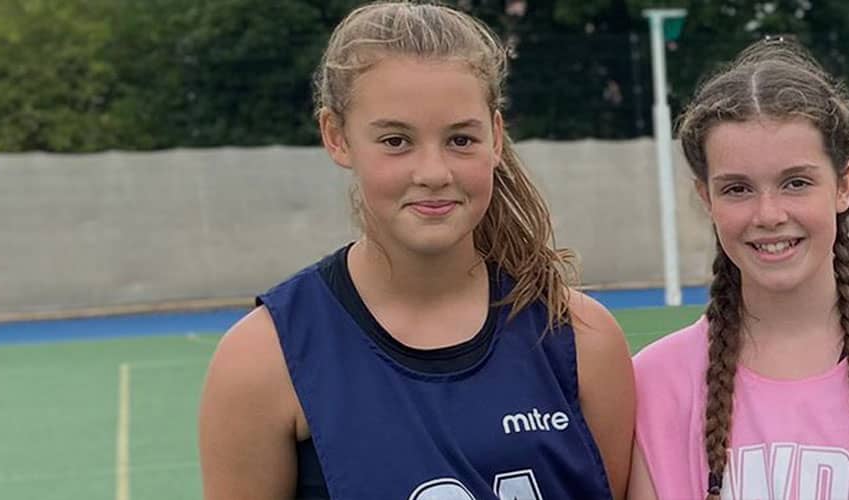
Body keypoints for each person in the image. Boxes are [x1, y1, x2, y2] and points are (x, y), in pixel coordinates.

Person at [196, 2, 634, 499]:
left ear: (495, 135)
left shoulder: (579, 337)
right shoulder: (264, 358)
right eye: (396, 140)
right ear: (337, 137)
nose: (433, 172)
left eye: (461, 139)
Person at [625, 38, 849, 500]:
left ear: (843, 186)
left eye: (796, 183)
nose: (769, 214)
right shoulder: (655, 380)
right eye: (737, 189)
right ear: (706, 199)